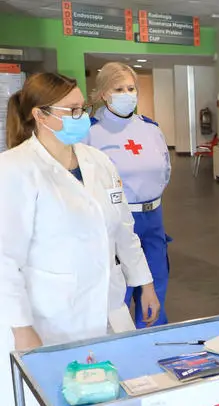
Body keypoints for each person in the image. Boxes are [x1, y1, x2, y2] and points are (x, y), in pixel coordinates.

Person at [0, 73, 160, 405]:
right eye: (71, 110)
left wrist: (145, 283)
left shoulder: (98, 161)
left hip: (108, 306)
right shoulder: (15, 169)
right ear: (40, 115)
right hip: (52, 318)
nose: (82, 117)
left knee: (115, 392)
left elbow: (123, 230)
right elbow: (5, 259)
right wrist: (20, 327)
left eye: (82, 108)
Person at [86, 62, 172, 328]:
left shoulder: (150, 128)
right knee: (117, 293)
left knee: (155, 287)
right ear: (103, 94)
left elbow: (165, 169)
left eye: (131, 88)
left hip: (152, 218)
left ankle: (153, 342)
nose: (127, 93)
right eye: (119, 88)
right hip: (114, 220)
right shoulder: (91, 132)